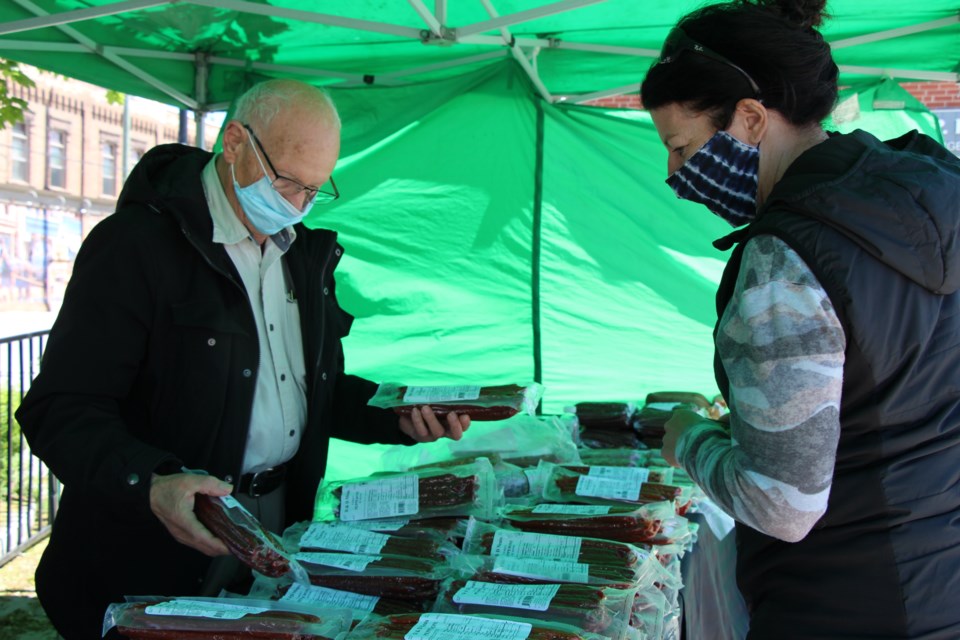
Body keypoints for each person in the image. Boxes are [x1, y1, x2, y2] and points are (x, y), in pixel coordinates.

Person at [15, 79, 471, 639]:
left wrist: (396, 416)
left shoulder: (301, 255)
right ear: (234, 142)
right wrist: (154, 483)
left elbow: (307, 391)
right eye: (285, 182)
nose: (295, 206)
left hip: (276, 519)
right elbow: (60, 408)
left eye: (313, 190)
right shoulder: (136, 247)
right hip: (159, 541)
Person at [641, 1, 960, 638]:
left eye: (681, 146)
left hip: (840, 601)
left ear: (752, 118)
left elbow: (779, 504)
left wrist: (688, 439)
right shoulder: (937, 190)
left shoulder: (785, 258)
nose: (675, 174)